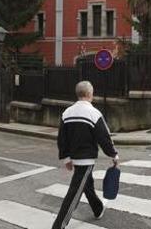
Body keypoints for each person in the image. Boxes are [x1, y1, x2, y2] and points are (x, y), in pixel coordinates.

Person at [52, 80, 119, 229]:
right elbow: (104, 137)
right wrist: (113, 154)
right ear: (90, 94)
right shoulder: (94, 113)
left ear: (78, 94)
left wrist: (66, 158)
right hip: (86, 159)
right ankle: (58, 226)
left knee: (86, 184)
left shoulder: (67, 113)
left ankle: (98, 208)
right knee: (74, 194)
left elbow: (62, 138)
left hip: (75, 157)